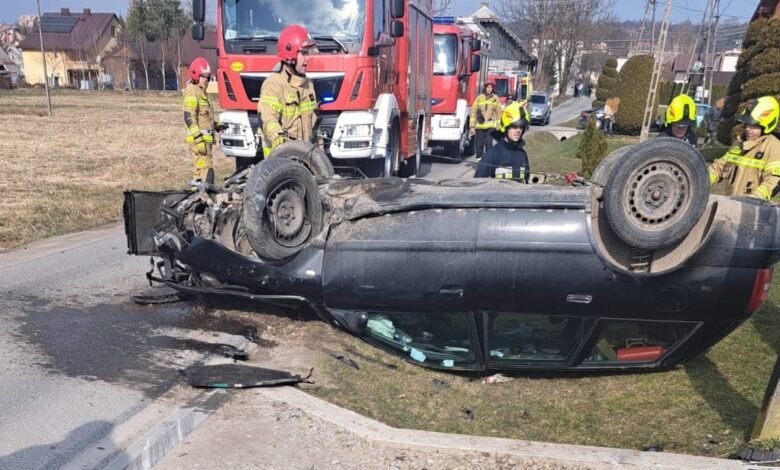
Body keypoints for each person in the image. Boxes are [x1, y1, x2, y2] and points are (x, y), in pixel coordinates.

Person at [258, 24, 318, 156]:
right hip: (279, 163)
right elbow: (268, 118)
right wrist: (278, 139)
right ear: (290, 53)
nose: (307, 59)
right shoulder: (273, 84)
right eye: (303, 53)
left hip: (305, 161)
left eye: (307, 54)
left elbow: (313, 129)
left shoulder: (308, 85)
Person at [708, 96, 780, 201]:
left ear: (766, 125)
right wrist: (702, 181)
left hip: (754, 208)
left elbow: (772, 181)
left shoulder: (773, 147)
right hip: (731, 204)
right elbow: (719, 167)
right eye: (747, 125)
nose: (748, 129)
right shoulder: (739, 143)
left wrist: (754, 198)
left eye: (753, 126)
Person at [182, 57, 223, 183]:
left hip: (205, 143)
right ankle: (201, 199)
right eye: (204, 77)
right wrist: (198, 139)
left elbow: (203, 117)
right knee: (203, 174)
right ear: (196, 75)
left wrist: (216, 125)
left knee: (204, 172)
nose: (207, 80)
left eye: (208, 77)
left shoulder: (202, 93)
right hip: (199, 143)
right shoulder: (192, 91)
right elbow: (189, 117)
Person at [474, 102, 531, 182]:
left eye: (521, 127)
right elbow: (476, 186)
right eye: (514, 126)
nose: (518, 130)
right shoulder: (492, 155)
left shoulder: (522, 155)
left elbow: (526, 183)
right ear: (505, 127)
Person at [469, 81, 502, 160]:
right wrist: (472, 126)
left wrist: (498, 125)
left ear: (493, 89)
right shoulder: (479, 98)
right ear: (485, 88)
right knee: (479, 146)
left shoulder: (495, 99)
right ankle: (479, 162)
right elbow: (473, 112)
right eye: (487, 87)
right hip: (480, 126)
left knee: (489, 144)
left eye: (490, 87)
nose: (489, 89)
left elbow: (498, 113)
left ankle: (487, 162)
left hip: (490, 126)